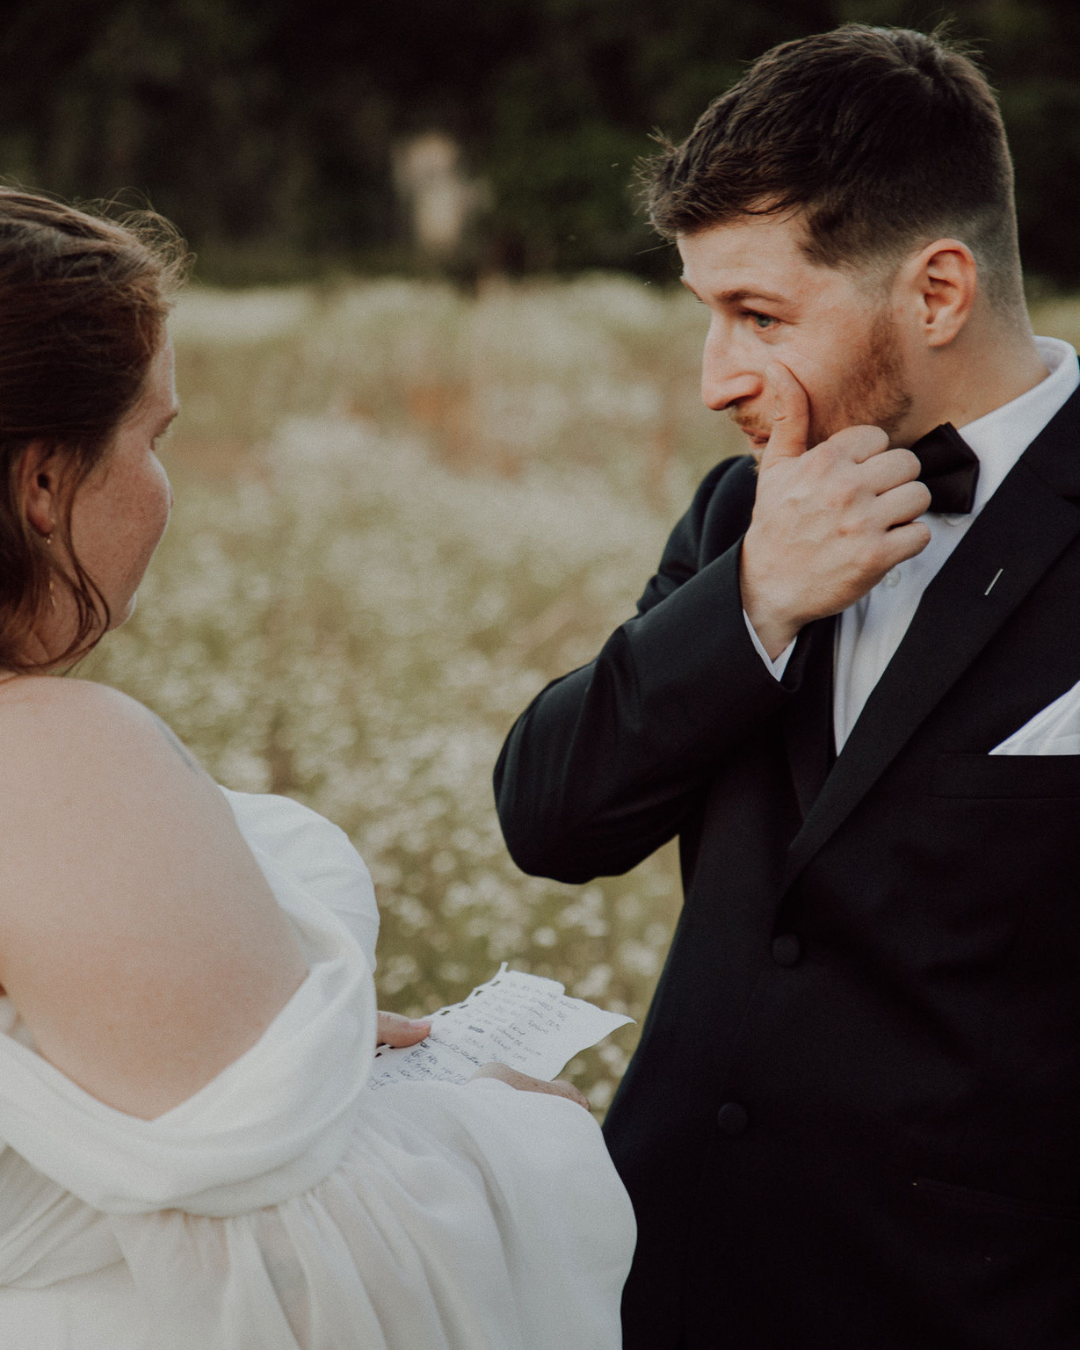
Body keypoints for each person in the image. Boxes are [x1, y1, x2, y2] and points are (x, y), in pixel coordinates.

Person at [494, 24, 1080, 1350]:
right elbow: (550, 819)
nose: (718, 379)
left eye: (759, 317)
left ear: (938, 292)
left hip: (971, 1303)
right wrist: (754, 599)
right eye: (706, 314)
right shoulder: (742, 511)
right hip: (672, 1271)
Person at [0, 188, 635, 1348]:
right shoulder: (45, 751)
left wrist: (293, 1051)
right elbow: (325, 1279)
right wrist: (495, 1120)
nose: (166, 488)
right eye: (154, 439)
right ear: (42, 482)